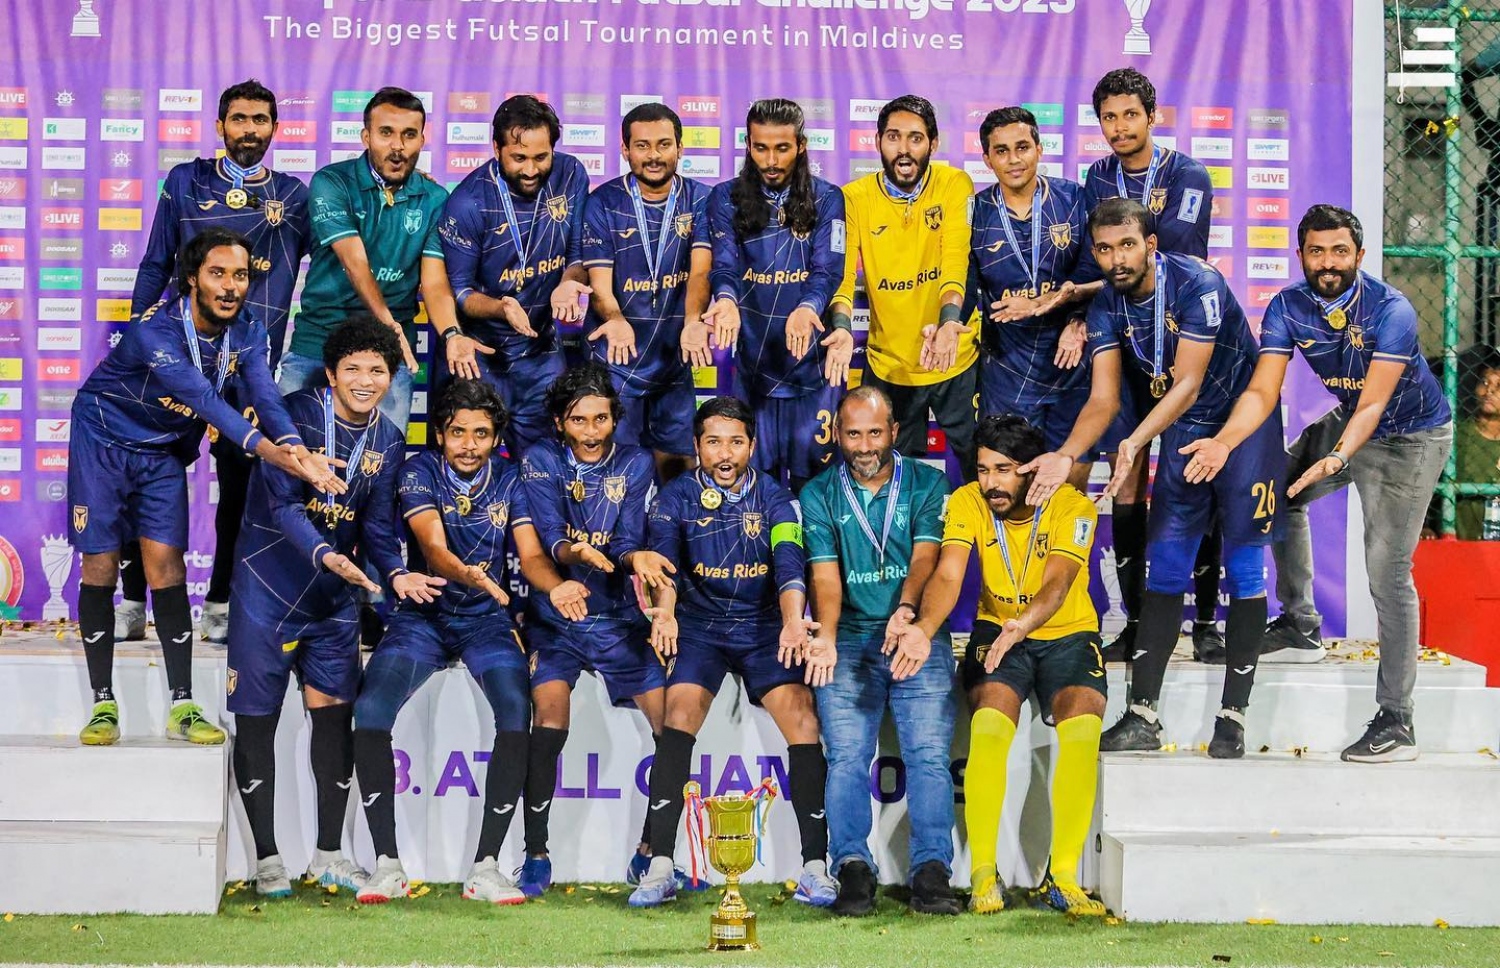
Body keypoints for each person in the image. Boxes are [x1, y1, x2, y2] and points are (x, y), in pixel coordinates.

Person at [1183, 205, 1454, 762]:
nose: (1328, 262)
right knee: (1280, 491)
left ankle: (1397, 721)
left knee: (1388, 573)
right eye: (1316, 251)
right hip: (1350, 422)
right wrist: (1225, 442)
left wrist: (1337, 457)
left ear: (1359, 255)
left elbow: (1374, 403)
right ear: (1301, 254)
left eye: (1339, 251)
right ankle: (1301, 624)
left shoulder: (1392, 309)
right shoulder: (1288, 306)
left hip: (1410, 437)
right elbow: (1263, 391)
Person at [1026, 198, 1283, 759]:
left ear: (1151, 245)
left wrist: (1136, 440)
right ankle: (1142, 717)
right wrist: (1066, 454)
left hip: (1243, 425)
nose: (1115, 259)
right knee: (1165, 563)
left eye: (1126, 245)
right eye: (1104, 249)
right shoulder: (1106, 304)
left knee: (1244, 567)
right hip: (1183, 424)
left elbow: (1187, 381)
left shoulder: (1198, 284)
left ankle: (1233, 719)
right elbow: (1103, 399)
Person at [71, 228, 334, 748]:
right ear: (192, 279)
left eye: (240, 275)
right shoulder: (155, 331)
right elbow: (208, 403)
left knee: (166, 564)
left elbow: (264, 395)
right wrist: (274, 453)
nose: (231, 286)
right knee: (99, 562)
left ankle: (182, 706)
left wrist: (296, 448)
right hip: (103, 439)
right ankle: (102, 703)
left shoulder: (249, 330)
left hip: (163, 450)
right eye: (218, 274)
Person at [227, 315, 446, 897]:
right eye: (353, 369)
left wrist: (395, 572)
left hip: (333, 602)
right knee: (257, 724)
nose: (366, 380)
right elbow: (282, 508)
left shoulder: (390, 440)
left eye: (377, 370)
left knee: (334, 725)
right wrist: (326, 554)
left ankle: (328, 854)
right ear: (330, 373)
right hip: (267, 591)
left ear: (391, 377)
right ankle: (267, 859)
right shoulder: (294, 417)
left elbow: (376, 528)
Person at [118, 79, 313, 645]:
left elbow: (335, 260)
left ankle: (222, 600)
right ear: (220, 125)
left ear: (275, 128)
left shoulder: (294, 196)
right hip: (177, 358)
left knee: (239, 485)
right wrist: (139, 335)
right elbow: (156, 262)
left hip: (246, 365)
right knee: (145, 472)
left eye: (260, 120)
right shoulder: (186, 180)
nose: (249, 130)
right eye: (239, 119)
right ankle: (131, 600)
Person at [626, 397, 837, 909]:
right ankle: (660, 867)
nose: (725, 454)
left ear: (752, 445)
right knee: (677, 715)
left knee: (803, 720)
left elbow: (789, 565)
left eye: (736, 442)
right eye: (714, 442)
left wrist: (793, 620)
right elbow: (665, 568)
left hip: (764, 627)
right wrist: (666, 614)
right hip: (700, 627)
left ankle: (815, 868)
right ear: (697, 446)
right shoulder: (674, 498)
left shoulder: (778, 499)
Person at [906, 414, 1106, 916]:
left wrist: (1024, 625)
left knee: (1083, 730)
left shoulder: (1073, 506)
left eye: (1003, 469)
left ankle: (1063, 876)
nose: (990, 482)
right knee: (990, 728)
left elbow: (1059, 583)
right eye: (983, 469)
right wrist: (924, 628)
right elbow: (949, 574)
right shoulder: (967, 502)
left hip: (1066, 630)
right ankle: (982, 874)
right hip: (996, 630)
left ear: (1033, 469)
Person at [352, 379, 541, 904]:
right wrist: (469, 575)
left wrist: (556, 583)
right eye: (458, 432)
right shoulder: (419, 471)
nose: (468, 445)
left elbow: (529, 555)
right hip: (424, 618)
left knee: (515, 711)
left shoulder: (511, 478)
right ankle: (387, 865)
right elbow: (433, 549)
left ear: (496, 438)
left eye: (481, 434)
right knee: (370, 711)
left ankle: (487, 868)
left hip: (485, 622)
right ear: (439, 434)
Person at [1083, 67, 1224, 664]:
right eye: (1108, 117)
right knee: (1127, 472)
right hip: (1130, 343)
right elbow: (1101, 260)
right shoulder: (1096, 177)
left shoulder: (1188, 174)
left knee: (1194, 474)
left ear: (1152, 116)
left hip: (1183, 340)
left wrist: (1097, 285)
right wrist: (1079, 309)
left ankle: (1208, 623)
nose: (1119, 127)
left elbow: (1172, 255)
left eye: (1129, 115)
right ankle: (1136, 622)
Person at [800, 386, 958, 916]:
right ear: (837, 435)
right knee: (846, 756)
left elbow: (926, 557)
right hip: (850, 638)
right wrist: (825, 634)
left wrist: (909, 613)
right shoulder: (819, 493)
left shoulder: (928, 483)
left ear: (894, 431)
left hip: (915, 636)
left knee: (929, 756)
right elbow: (825, 578)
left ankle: (932, 872)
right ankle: (852, 867)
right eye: (853, 434)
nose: (865, 445)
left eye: (874, 432)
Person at [514, 363, 667, 896]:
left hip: (618, 620)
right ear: (560, 422)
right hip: (556, 619)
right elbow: (548, 536)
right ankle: (535, 854)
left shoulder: (637, 462)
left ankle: (652, 852)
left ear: (614, 419)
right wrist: (574, 555)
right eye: (579, 420)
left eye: (601, 418)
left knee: (671, 730)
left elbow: (627, 539)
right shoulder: (539, 460)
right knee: (549, 719)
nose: (591, 430)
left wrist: (627, 560)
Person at [281, 87, 460, 433]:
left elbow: (434, 283)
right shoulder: (331, 181)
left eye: (409, 135)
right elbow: (354, 263)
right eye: (386, 133)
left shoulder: (435, 198)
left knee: (383, 459)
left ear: (423, 140)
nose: (397, 146)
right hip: (318, 344)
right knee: (289, 453)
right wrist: (389, 324)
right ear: (366, 137)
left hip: (390, 355)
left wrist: (451, 333)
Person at [706, 97, 851, 492]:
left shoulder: (828, 197)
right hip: (753, 373)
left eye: (782, 148)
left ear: (801, 146)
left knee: (816, 492)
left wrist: (807, 307)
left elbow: (828, 270)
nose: (770, 160)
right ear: (747, 145)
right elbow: (724, 265)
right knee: (755, 492)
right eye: (760, 148)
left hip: (814, 373)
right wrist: (725, 299)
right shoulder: (724, 197)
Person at [830, 95, 979, 478]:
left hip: (954, 355)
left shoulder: (953, 184)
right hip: (891, 365)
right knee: (886, 481)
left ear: (933, 143)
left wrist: (948, 322)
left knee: (984, 469)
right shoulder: (854, 198)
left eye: (915, 138)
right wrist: (842, 327)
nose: (904, 149)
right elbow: (843, 277)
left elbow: (955, 260)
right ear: (878, 141)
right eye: (893, 136)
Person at [440, 94, 592, 456]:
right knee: (473, 460)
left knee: (544, 463)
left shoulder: (571, 175)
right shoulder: (468, 202)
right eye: (519, 158)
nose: (530, 170)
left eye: (541, 157)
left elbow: (577, 254)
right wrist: (501, 307)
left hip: (541, 352)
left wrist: (569, 282)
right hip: (482, 354)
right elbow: (461, 292)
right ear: (496, 148)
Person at [970, 106, 1102, 489]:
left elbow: (1093, 269)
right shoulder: (976, 213)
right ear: (987, 159)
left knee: (1070, 474)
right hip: (1008, 368)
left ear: (1040, 149)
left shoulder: (1074, 199)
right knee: (1010, 480)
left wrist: (1078, 320)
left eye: (1022, 147)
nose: (1014, 159)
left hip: (1071, 358)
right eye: (1002, 151)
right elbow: (964, 285)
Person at [581, 103, 711, 480]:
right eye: (642, 145)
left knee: (677, 475)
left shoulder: (702, 200)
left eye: (663, 144)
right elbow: (599, 285)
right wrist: (615, 317)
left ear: (680, 147)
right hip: (616, 364)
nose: (653, 155)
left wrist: (693, 320)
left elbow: (701, 272)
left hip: (674, 362)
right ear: (625, 149)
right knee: (615, 479)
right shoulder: (603, 202)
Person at [1453, 356, 1500, 539]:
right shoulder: (1458, 436)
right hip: (1462, 541)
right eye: (1484, 382)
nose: (1489, 390)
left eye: (1499, 385)